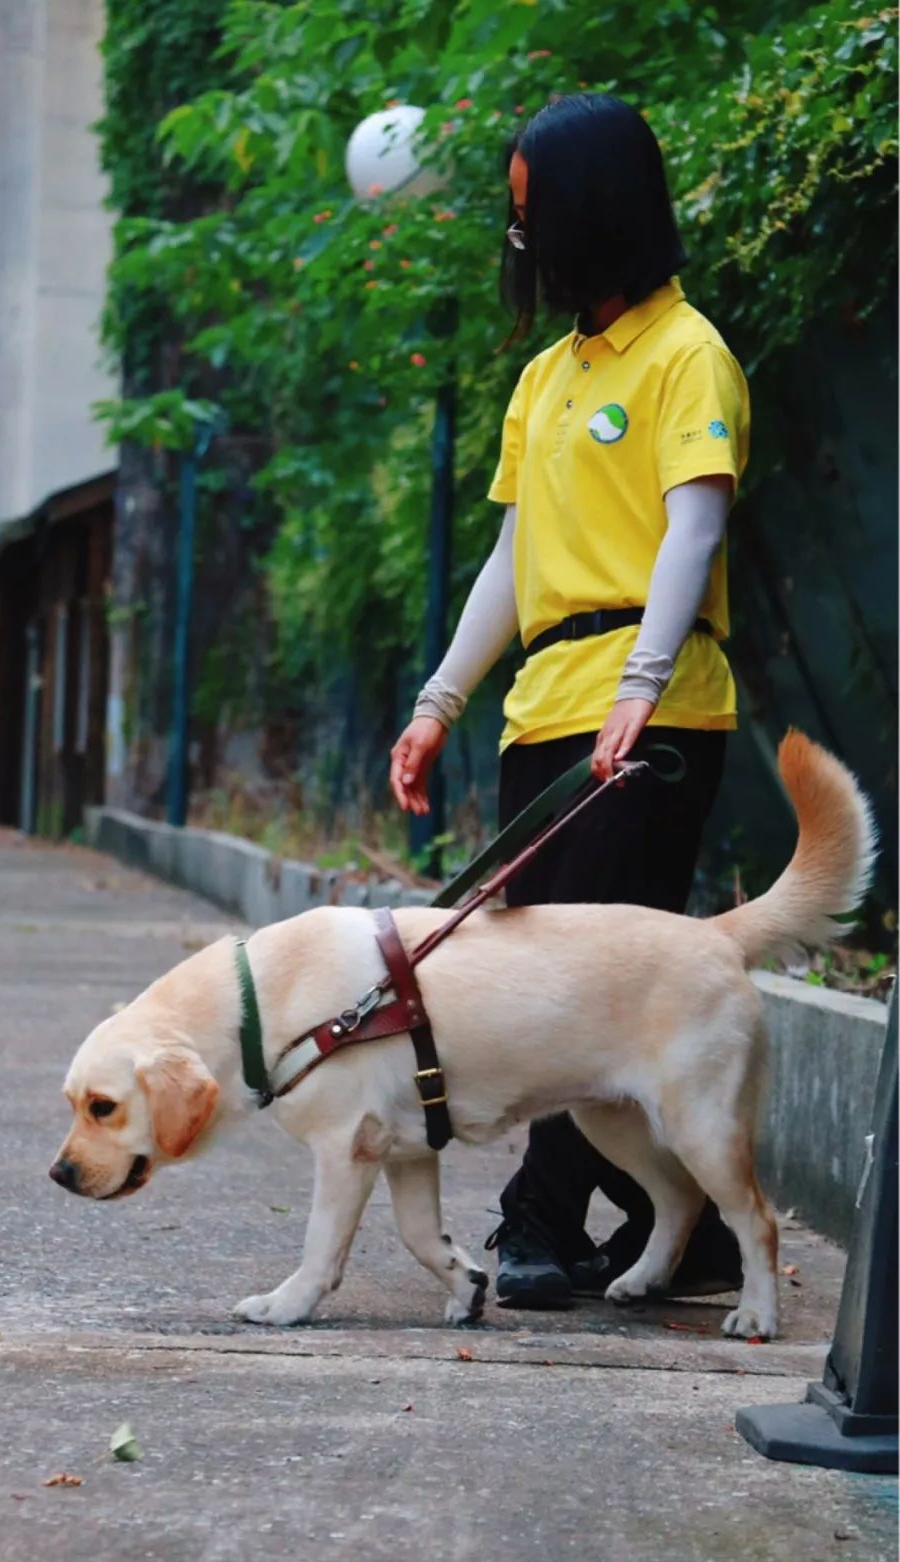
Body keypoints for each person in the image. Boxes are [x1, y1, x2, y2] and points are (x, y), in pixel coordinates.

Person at [389, 93, 749, 1308]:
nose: (519, 233)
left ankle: (535, 1218)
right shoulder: (547, 377)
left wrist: (642, 684)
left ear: (595, 206)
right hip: (544, 713)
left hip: (653, 714)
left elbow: (691, 528)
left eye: (533, 208)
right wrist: (440, 700)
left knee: (573, 990)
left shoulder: (687, 353)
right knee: (545, 970)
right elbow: (510, 556)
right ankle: (679, 1230)